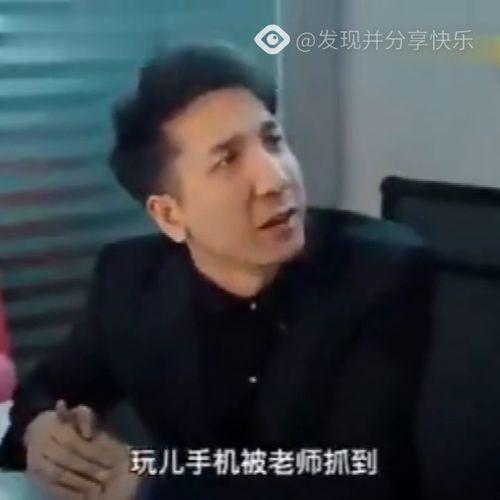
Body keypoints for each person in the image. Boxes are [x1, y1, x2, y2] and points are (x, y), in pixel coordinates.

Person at [0, 44, 435, 499]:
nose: (276, 179)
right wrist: (42, 430)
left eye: (273, 141)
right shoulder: (131, 280)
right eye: (227, 160)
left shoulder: (378, 273)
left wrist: (151, 485)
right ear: (170, 215)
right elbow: (47, 390)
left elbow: (360, 478)